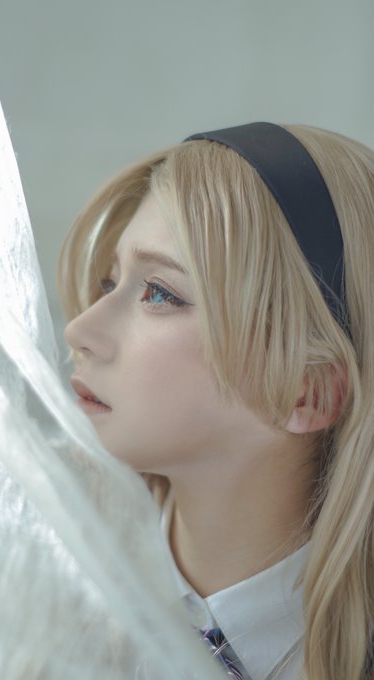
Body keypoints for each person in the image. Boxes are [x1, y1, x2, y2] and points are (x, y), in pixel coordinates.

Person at [57, 122, 374, 680]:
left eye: (160, 293)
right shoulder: (24, 599)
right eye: (110, 283)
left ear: (309, 391)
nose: (79, 330)